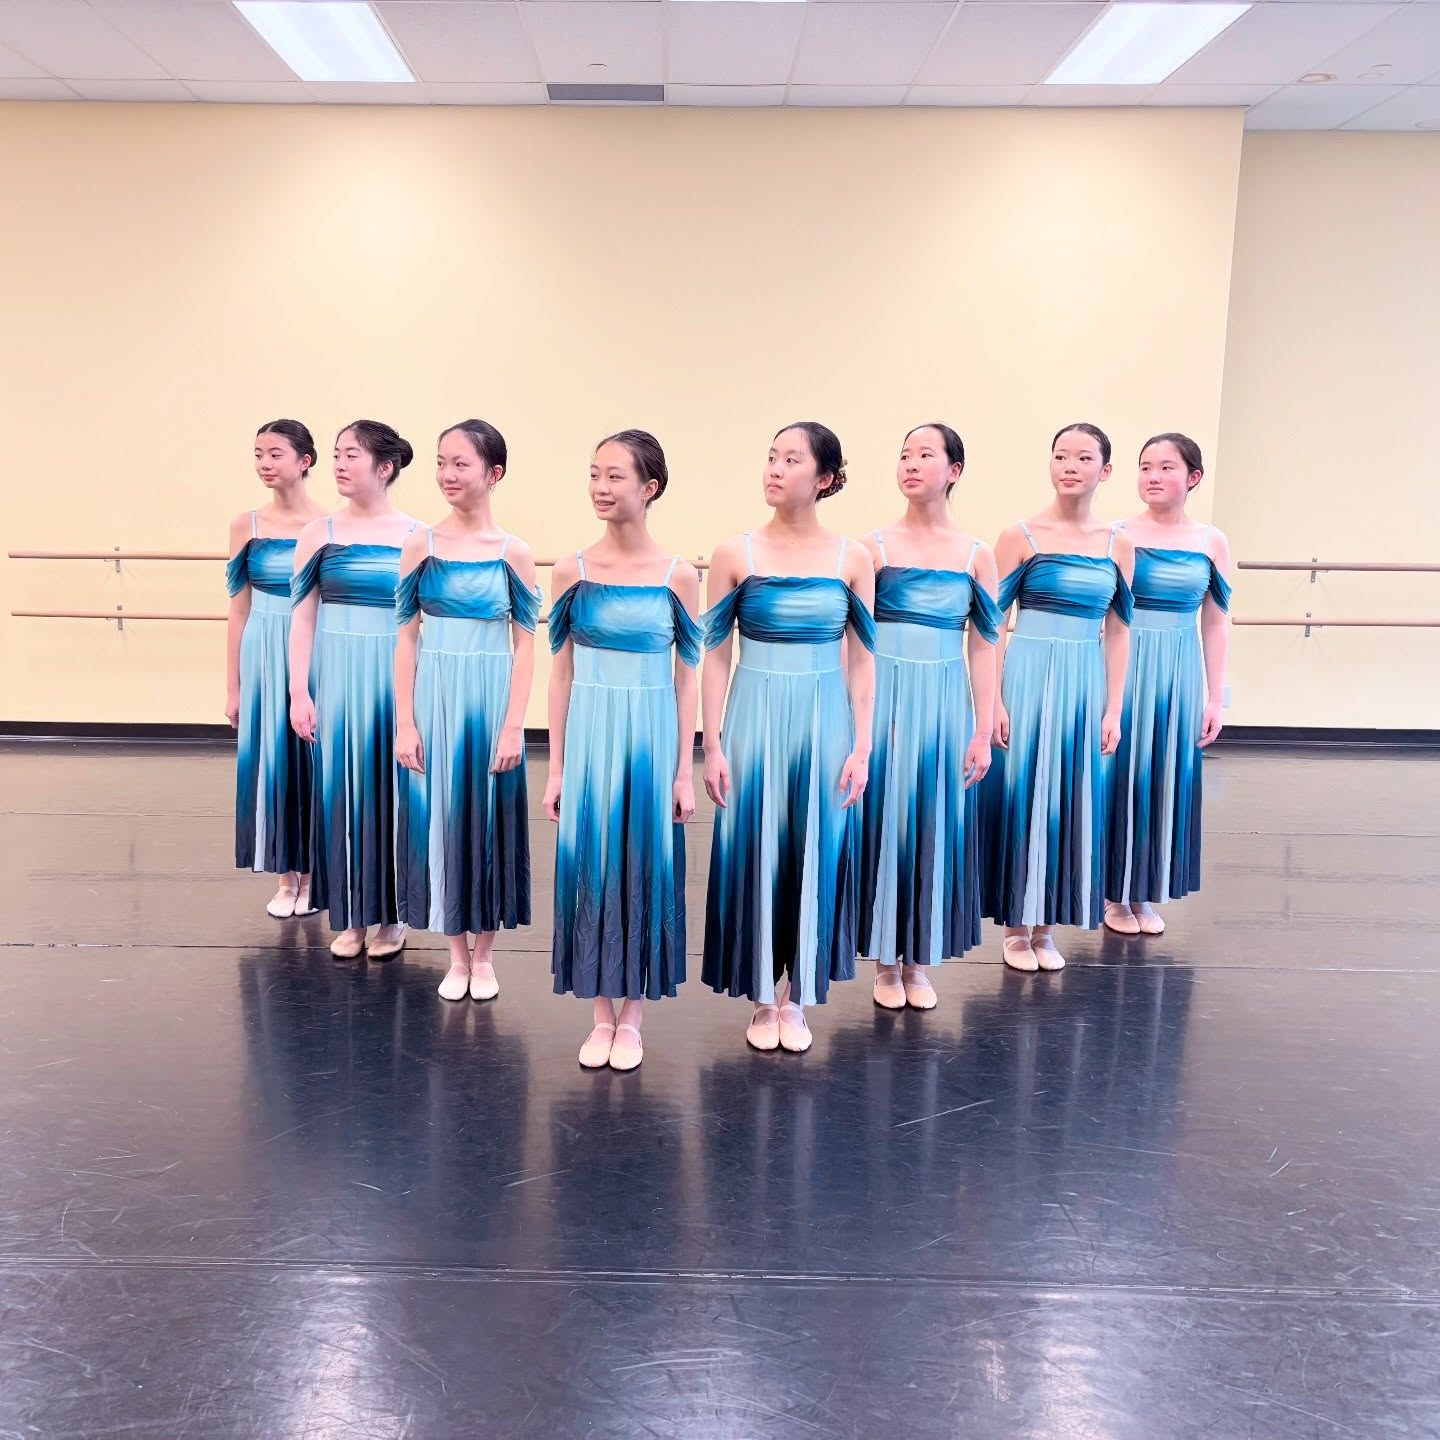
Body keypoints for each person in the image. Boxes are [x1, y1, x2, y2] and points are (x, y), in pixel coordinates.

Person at [701, 422, 876, 1054]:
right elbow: (714, 654)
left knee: (817, 844)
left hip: (825, 716)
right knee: (754, 843)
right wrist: (713, 742)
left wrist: (861, 746)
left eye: (791, 460)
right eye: (771, 457)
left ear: (824, 478)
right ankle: (757, 993)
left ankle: (795, 997)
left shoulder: (852, 558)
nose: (774, 468)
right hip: (754, 711)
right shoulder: (734, 553)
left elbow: (862, 660)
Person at [545, 431, 701, 1073]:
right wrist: (554, 768)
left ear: (650, 487)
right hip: (588, 734)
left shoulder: (678, 575)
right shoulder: (569, 571)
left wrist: (683, 770)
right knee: (591, 866)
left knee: (642, 864)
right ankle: (598, 1011)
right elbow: (559, 674)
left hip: (649, 736)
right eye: (594, 474)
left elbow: (689, 673)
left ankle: (630, 1016)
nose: (601, 488)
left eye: (615, 476)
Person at [395, 419, 540, 1000]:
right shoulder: (419, 545)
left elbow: (527, 642)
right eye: (440, 462)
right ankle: (455, 953)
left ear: (493, 473)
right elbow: (405, 635)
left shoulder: (514, 553)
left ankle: (485, 956)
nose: (446, 474)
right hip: (434, 694)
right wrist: (405, 721)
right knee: (439, 819)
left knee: (486, 821)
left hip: (488, 697)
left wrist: (513, 726)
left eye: (460, 463)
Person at [982, 422, 1135, 973]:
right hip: (1027, 673)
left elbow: (1120, 629)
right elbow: (992, 623)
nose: (1070, 465)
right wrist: (993, 700)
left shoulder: (1120, 544)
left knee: (1072, 796)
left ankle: (1048, 925)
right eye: (1061, 456)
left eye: (1084, 457)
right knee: (1026, 791)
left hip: (1083, 678)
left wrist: (1114, 707)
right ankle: (1016, 924)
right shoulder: (1019, 536)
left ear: (1105, 470)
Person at [859, 424, 1000, 1009]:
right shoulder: (870, 548)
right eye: (904, 455)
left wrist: (983, 726)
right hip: (883, 694)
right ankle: (884, 961)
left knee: (932, 820)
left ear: (954, 471)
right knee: (883, 818)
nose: (911, 464)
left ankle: (918, 958)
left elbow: (985, 644)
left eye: (925, 455)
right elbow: (853, 640)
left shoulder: (976, 554)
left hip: (943, 700)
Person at [290, 420, 417, 960]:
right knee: (339, 792)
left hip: (391, 675)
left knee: (391, 796)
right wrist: (300, 691)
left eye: (352, 455)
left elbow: (421, 624)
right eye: (337, 455)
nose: (339, 464)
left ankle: (390, 917)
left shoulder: (416, 535)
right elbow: (301, 618)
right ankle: (348, 913)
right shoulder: (319, 533)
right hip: (337, 676)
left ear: (384, 468)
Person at [1104, 432, 1232, 935]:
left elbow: (1216, 620)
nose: (1153, 477)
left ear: (1193, 477)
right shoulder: (1116, 534)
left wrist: (1216, 696)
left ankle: (1144, 888)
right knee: (1121, 776)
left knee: (1164, 776)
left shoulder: (1210, 540)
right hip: (1125, 663)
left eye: (1166, 468)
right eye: (1145, 467)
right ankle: (1114, 891)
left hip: (1178, 673)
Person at [225, 419, 326, 917]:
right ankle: (285, 877)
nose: (265, 463)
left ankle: (313, 876)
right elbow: (238, 607)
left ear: (305, 461)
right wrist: (233, 686)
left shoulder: (328, 524)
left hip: (315, 646)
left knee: (311, 761)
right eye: (259, 453)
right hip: (262, 645)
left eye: (276, 454)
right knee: (271, 760)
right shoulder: (246, 524)